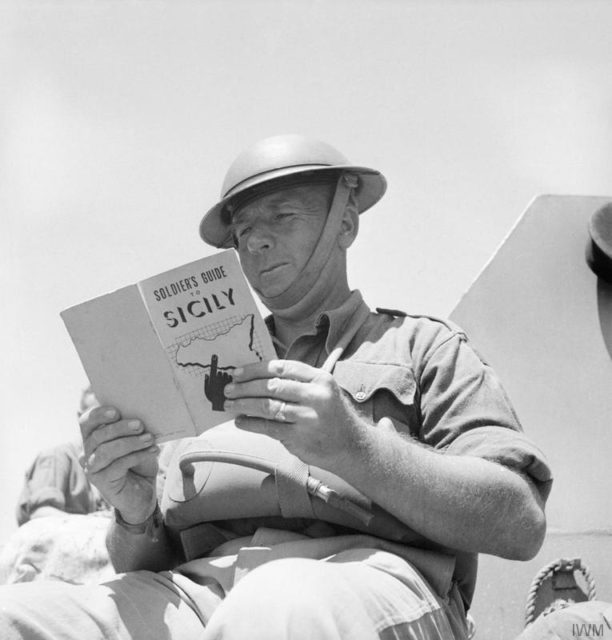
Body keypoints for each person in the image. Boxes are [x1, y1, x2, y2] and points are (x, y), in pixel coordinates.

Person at [0, 134, 552, 639]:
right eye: (242, 232)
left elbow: (520, 523)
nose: (256, 242)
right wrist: (134, 514)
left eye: (282, 216)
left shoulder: (421, 346)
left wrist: (356, 447)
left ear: (346, 222)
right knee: (20, 617)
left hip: (370, 583)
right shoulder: (198, 374)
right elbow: (146, 560)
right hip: (200, 594)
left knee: (274, 608)